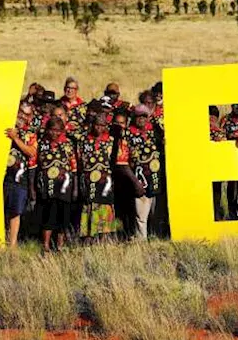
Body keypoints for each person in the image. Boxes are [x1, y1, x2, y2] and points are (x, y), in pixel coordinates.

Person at [118, 105, 163, 240]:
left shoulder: (155, 132)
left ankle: (157, 239)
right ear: (133, 117)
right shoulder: (127, 134)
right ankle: (141, 241)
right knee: (141, 215)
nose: (142, 119)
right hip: (139, 179)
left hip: (157, 178)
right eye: (139, 116)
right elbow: (123, 161)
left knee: (157, 213)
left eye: (144, 116)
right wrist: (134, 182)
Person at [35, 116, 79, 251]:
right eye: (52, 130)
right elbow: (36, 165)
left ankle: (60, 246)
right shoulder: (41, 143)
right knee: (48, 217)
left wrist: (75, 188)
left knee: (63, 218)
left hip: (64, 187)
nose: (54, 133)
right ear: (47, 130)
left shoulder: (68, 144)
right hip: (47, 186)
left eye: (58, 130)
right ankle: (46, 246)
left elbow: (74, 168)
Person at [78, 111, 119, 240]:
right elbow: (79, 159)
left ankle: (104, 239)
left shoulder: (111, 141)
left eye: (102, 125)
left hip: (105, 180)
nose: (99, 128)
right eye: (97, 125)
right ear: (92, 125)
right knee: (89, 206)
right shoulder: (83, 140)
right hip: (88, 179)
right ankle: (89, 237)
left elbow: (114, 161)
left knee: (105, 207)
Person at [3, 104, 38, 247]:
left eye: (27, 114)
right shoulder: (5, 128)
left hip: (19, 178)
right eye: (21, 113)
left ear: (31, 118)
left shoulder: (30, 134)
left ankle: (12, 244)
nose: (23, 116)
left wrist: (16, 139)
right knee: (2, 210)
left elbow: (32, 152)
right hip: (2, 177)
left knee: (15, 211)